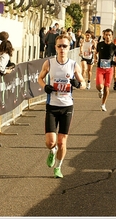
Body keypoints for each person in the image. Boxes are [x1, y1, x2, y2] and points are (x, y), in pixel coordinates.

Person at [37, 34, 86, 178]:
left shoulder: (73, 65)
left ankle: (58, 167)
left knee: (62, 141)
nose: (62, 49)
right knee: (50, 142)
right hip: (52, 106)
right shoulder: (49, 63)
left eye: (65, 46)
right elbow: (39, 78)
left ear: (69, 47)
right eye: (59, 46)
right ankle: (52, 151)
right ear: (55, 47)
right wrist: (45, 86)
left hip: (67, 106)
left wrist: (78, 84)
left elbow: (83, 83)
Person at [94, 28, 116, 111]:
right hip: (100, 68)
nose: (108, 36)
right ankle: (100, 91)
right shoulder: (100, 45)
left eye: (109, 35)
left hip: (109, 69)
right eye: (106, 35)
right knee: (99, 86)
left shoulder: (114, 47)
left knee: (107, 88)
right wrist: (95, 58)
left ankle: (103, 104)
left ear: (112, 36)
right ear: (104, 36)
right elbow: (96, 53)